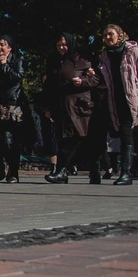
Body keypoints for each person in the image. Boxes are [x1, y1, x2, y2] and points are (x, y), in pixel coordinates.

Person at [99, 24, 138, 185]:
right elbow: (106, 81)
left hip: (135, 102)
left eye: (110, 34)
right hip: (117, 101)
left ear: (119, 35)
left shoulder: (133, 52)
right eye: (105, 35)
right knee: (136, 141)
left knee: (128, 136)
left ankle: (125, 173)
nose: (107, 38)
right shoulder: (106, 55)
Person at [45, 33, 101, 184]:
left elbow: (97, 79)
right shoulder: (53, 60)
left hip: (81, 106)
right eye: (58, 45)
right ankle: (62, 171)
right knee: (66, 138)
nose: (62, 48)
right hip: (61, 105)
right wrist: (47, 106)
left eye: (64, 45)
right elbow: (49, 84)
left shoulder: (82, 59)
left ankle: (92, 170)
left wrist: (82, 81)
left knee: (83, 139)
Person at [0, 35, 27, 183]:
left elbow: (18, 76)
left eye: (3, 45)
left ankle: (13, 171)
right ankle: (0, 166)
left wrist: (4, 65)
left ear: (9, 47)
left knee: (11, 140)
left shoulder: (18, 60)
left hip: (14, 104)